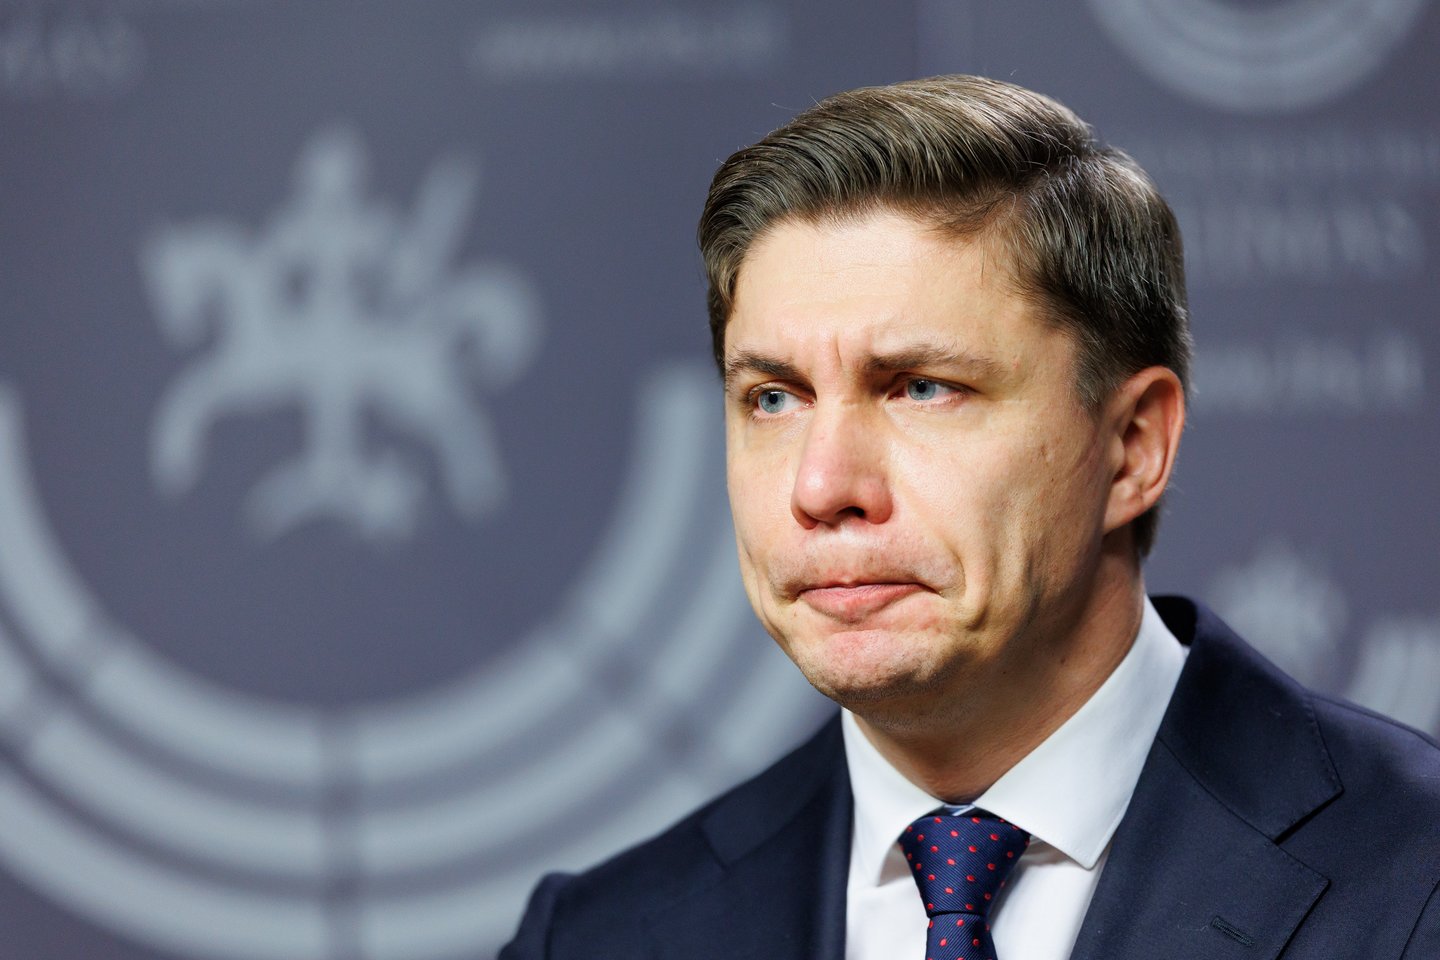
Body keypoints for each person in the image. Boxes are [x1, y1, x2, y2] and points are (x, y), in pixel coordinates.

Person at [500, 75, 1440, 960]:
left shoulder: (1416, 875)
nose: (821, 486)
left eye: (921, 387)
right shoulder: (594, 937)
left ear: (1132, 447)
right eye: (774, 399)